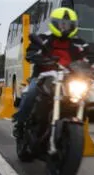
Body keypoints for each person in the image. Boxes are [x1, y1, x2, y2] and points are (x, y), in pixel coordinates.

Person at [12, 7, 89, 138]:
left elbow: (85, 60)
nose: (65, 27)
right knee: (30, 93)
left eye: (69, 25)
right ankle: (20, 124)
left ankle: (73, 132)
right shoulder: (44, 39)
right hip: (43, 77)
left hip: (68, 79)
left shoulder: (78, 43)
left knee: (85, 96)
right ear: (54, 24)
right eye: (62, 24)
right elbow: (31, 52)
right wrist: (37, 57)